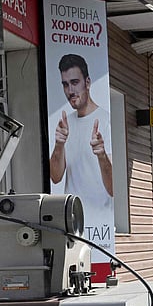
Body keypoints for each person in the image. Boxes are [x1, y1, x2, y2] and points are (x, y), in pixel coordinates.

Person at [49, 53, 113, 216]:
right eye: (65, 84)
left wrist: (102, 156)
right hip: (72, 219)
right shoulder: (65, 124)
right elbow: (55, 177)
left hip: (100, 221)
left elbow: (113, 188)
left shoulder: (106, 120)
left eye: (75, 82)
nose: (70, 91)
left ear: (88, 82)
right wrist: (59, 145)